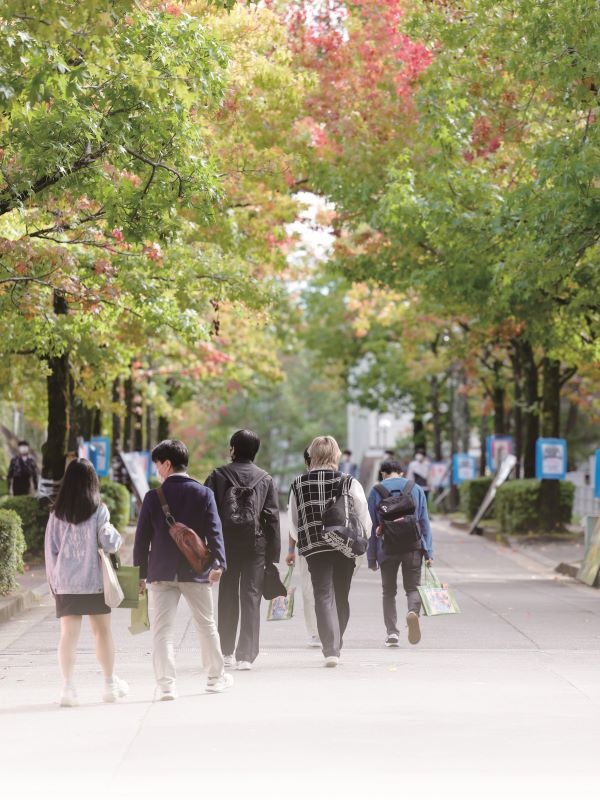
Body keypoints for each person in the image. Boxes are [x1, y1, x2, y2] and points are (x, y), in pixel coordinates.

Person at [133, 439, 232, 699]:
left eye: (157, 464)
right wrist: (219, 562)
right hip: (195, 571)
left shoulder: (153, 498)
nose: (157, 470)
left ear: (167, 464)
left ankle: (166, 685)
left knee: (162, 631)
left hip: (161, 572)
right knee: (206, 625)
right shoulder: (203, 493)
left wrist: (139, 575)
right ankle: (214, 678)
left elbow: (141, 539)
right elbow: (215, 531)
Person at [44, 458, 128, 707]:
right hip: (95, 583)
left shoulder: (56, 514)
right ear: (92, 482)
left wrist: (54, 586)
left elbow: (51, 553)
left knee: (68, 635)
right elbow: (110, 544)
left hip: (67, 584)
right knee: (102, 632)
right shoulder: (98, 510)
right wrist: (112, 531)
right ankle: (109, 685)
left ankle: (68, 690)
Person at [288, 435, 371, 667]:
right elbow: (364, 517)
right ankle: (337, 642)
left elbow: (294, 521)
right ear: (336, 455)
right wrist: (361, 542)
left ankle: (330, 649)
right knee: (341, 595)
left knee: (322, 594)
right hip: (345, 545)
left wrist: (300, 539)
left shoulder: (298, 483)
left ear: (312, 455)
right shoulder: (349, 481)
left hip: (314, 547)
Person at [205, 429, 280, 671]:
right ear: (255, 452)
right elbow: (272, 519)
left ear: (233, 449)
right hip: (255, 546)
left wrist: (209, 547)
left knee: (227, 594)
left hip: (226, 545)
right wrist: (272, 557)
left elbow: (208, 512)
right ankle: (245, 656)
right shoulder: (265, 479)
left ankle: (225, 651)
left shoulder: (218, 475)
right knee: (251, 597)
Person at [367, 459, 433, 647]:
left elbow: (371, 526)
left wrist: (372, 557)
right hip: (413, 546)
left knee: (388, 592)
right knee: (412, 588)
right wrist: (428, 552)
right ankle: (412, 612)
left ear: (383, 473)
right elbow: (424, 523)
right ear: (402, 473)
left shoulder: (376, 491)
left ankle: (392, 633)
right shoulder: (416, 489)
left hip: (386, 548)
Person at [286, 448, 319, 648]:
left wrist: (291, 550)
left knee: (310, 591)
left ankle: (316, 632)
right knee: (331, 589)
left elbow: (293, 521)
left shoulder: (299, 484)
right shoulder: (343, 480)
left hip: (308, 545)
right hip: (337, 545)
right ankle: (330, 630)